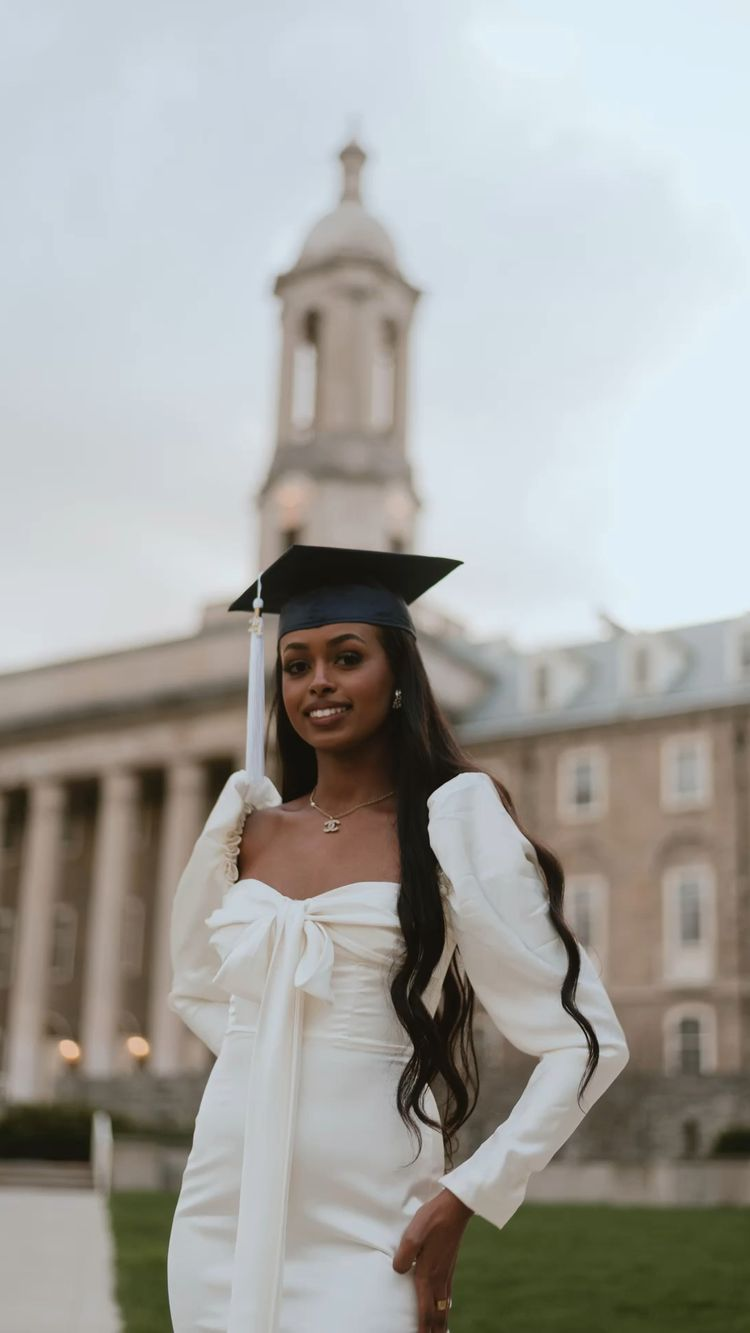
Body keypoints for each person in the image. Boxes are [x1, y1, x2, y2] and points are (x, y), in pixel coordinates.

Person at [166, 543, 630, 1333]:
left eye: (347, 658)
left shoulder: (453, 822)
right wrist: (274, 1050)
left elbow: (586, 1042)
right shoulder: (246, 827)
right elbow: (197, 985)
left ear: (400, 675)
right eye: (296, 663)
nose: (318, 681)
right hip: (222, 1203)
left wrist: (471, 1190)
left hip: (373, 1218)